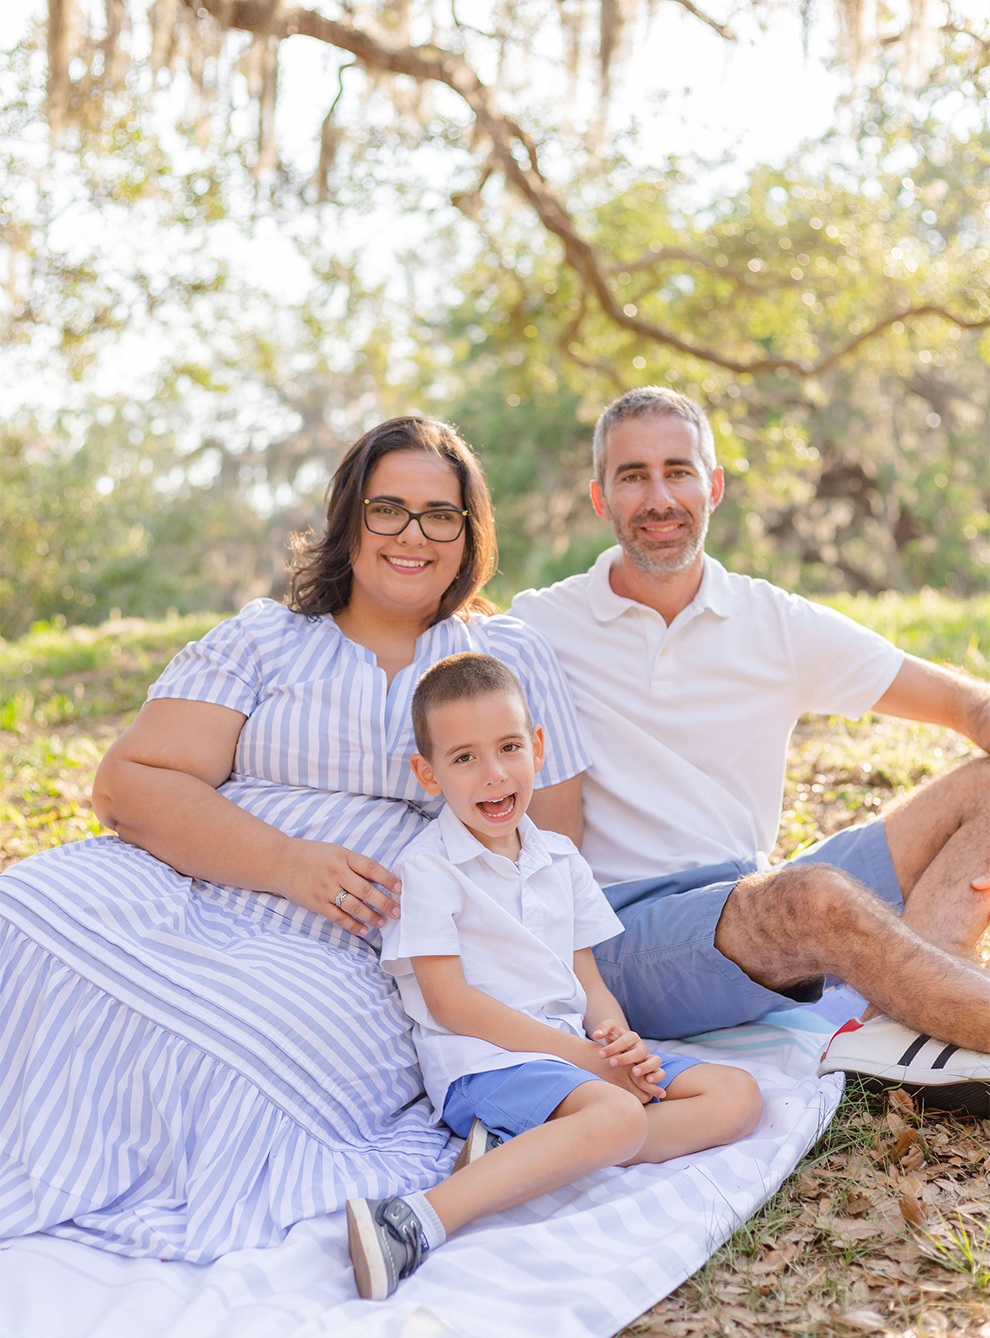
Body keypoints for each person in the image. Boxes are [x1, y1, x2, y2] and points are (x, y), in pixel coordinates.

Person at [0, 417, 591, 1262]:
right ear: (349, 520)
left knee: (237, 1042)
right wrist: (284, 862)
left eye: (440, 514)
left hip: (356, 945)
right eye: (388, 509)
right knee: (18, 913)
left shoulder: (506, 657)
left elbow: (548, 859)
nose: (413, 535)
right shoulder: (267, 637)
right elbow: (127, 784)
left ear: (470, 535)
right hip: (180, 880)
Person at [510, 386, 990, 1116]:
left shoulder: (772, 621)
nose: (659, 495)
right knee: (812, 896)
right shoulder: (541, 627)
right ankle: (940, 1014)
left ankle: (905, 1029)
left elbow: (962, 705)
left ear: (715, 485)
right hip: (624, 937)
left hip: (746, 899)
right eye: (632, 475)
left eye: (678, 470)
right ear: (599, 498)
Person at [346, 652, 762, 1300]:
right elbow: (451, 1004)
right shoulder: (429, 868)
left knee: (736, 1098)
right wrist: (590, 1064)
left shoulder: (559, 857)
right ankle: (418, 1218)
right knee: (620, 1117)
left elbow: (587, 981)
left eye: (509, 747)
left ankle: (527, 1153)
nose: (493, 775)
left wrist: (617, 1042)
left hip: (576, 1060)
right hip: (486, 1062)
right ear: (427, 773)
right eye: (464, 758)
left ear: (538, 748)